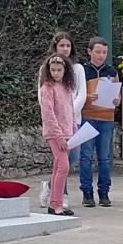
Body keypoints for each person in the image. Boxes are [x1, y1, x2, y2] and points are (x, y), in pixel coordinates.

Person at [79, 37, 121, 207]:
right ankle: (86, 192)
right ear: (89, 51)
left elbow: (117, 94)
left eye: (104, 52)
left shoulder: (111, 71)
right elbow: (76, 93)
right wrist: (87, 97)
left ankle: (104, 191)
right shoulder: (83, 71)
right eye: (97, 52)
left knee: (105, 157)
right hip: (87, 116)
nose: (101, 56)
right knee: (86, 156)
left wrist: (117, 100)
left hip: (106, 117)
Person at [36, 54, 76, 216]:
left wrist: (74, 133)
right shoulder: (47, 88)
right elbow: (48, 114)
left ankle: (54, 203)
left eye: (59, 70)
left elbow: (71, 112)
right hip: (55, 134)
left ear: (65, 70)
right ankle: (57, 204)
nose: (56, 73)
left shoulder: (67, 87)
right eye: (52, 70)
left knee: (58, 166)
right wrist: (59, 136)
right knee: (63, 166)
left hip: (68, 133)